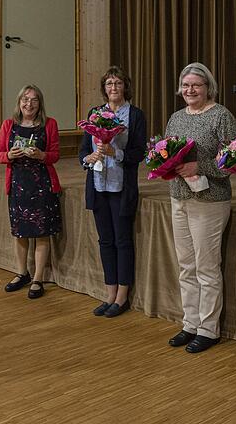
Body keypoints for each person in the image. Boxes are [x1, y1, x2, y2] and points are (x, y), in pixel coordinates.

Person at [165, 62, 236, 353]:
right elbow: (166, 151)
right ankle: (190, 323)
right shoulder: (175, 117)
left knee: (207, 268)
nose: (190, 90)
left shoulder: (221, 116)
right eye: (185, 85)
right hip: (179, 196)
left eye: (196, 85)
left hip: (210, 200)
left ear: (208, 87)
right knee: (186, 266)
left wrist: (201, 166)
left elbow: (233, 159)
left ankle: (209, 330)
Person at [80, 66, 147, 318]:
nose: (113, 88)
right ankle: (109, 294)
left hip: (122, 187)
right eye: (109, 84)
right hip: (97, 186)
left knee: (122, 241)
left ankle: (122, 297)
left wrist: (115, 153)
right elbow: (82, 150)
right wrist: (89, 157)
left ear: (125, 87)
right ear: (104, 88)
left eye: (118, 83)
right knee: (105, 241)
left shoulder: (136, 115)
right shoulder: (95, 114)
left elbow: (138, 152)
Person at [0, 85, 61, 299]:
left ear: (39, 103)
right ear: (19, 102)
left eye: (34, 100)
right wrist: (9, 155)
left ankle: (38, 278)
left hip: (42, 185)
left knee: (42, 233)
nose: (29, 104)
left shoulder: (49, 124)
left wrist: (41, 155)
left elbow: (55, 155)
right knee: (20, 232)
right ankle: (22, 272)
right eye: (25, 99)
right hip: (18, 185)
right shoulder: (9, 125)